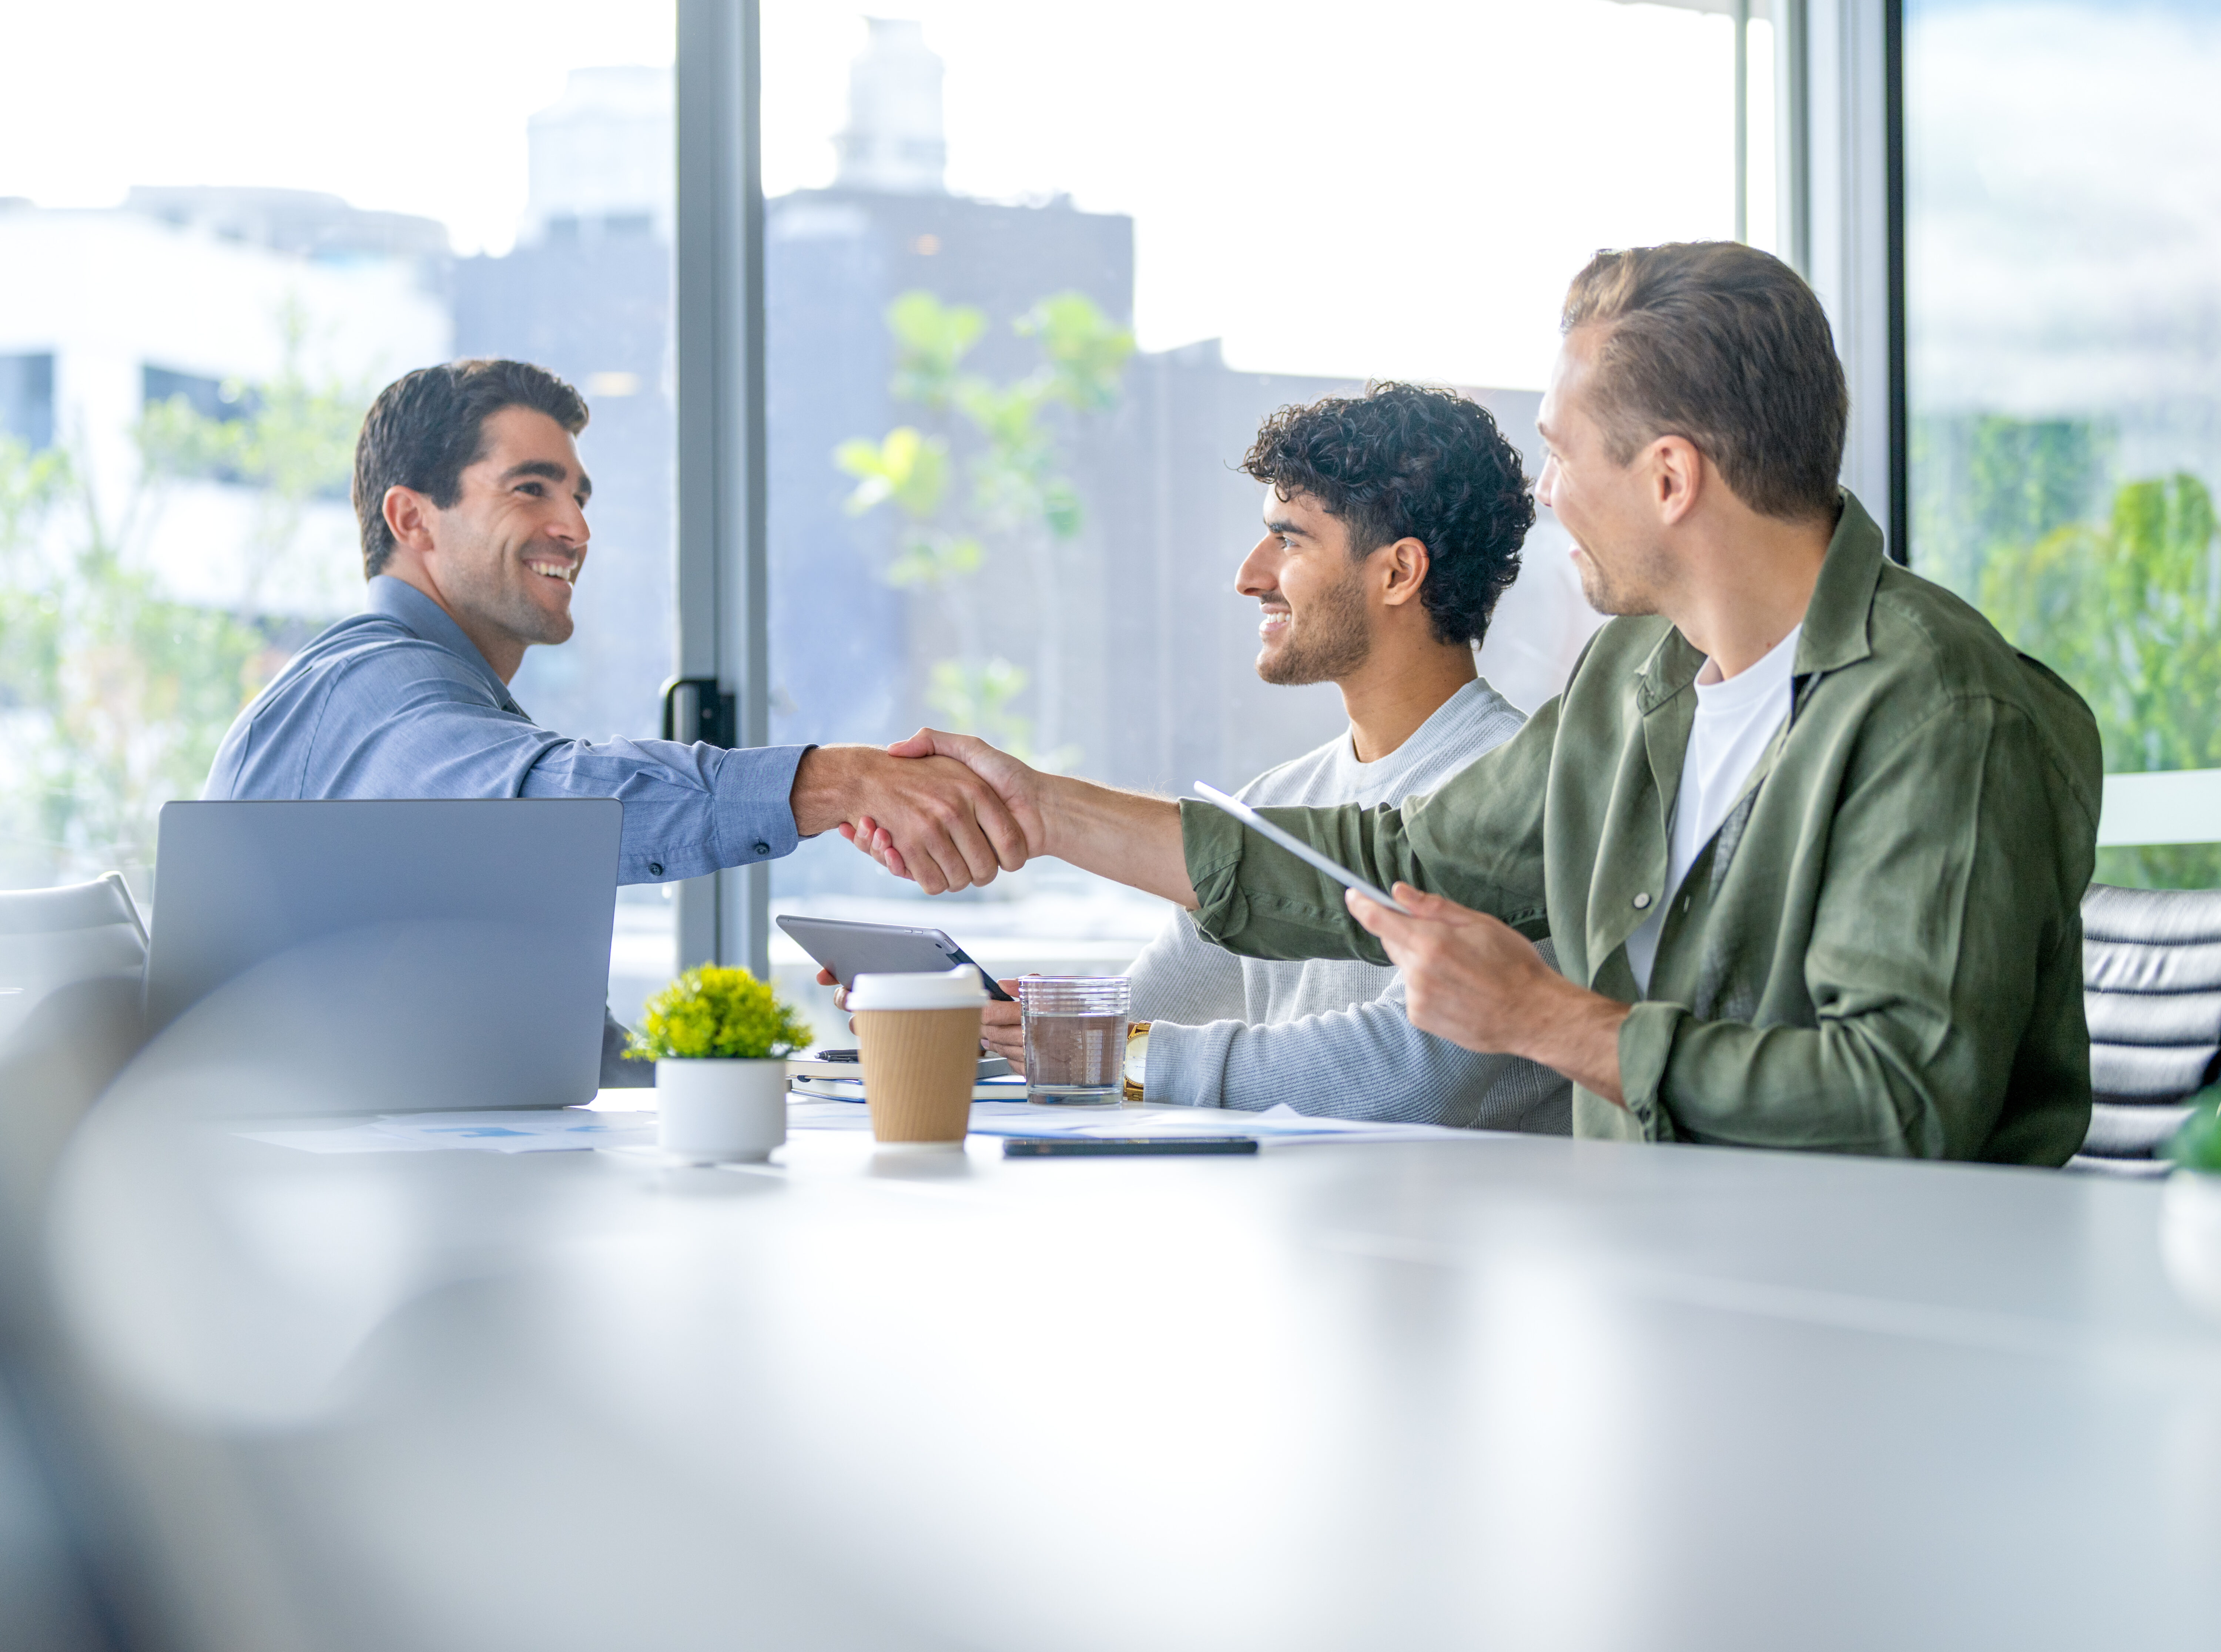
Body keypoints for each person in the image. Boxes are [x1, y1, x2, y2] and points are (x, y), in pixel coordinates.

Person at [850, 243, 2102, 1163]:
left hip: (1881, 1343)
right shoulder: (1638, 680)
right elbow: (1393, 859)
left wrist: (1552, 1021)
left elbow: (1897, 1099)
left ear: (1669, 477)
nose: (1547, 493)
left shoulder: (1941, 712)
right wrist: (1039, 805)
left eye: (1562, 452)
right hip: (1667, 1300)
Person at [203, 359, 1022, 1075]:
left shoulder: (440, 703)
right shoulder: (372, 692)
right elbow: (551, 806)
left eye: (579, 496)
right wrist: (839, 780)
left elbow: (560, 1052)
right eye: (531, 488)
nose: (577, 528)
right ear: (413, 519)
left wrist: (785, 1081)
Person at [971, 384, 1571, 1127]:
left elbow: (1407, 1077)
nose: (1249, 576)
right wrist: (981, 1018)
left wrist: (1105, 1051)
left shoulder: (1522, 799)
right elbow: (1143, 1014)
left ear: (1398, 573)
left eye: (1289, 540)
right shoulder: (1284, 796)